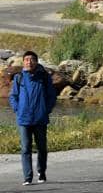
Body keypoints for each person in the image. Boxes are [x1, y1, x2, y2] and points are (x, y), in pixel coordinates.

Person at [9, 51, 57, 186]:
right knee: (25, 148)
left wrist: (46, 110)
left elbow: (52, 96)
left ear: (36, 62)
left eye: (32, 59)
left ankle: (41, 172)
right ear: (23, 62)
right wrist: (17, 109)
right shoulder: (19, 78)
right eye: (26, 59)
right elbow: (13, 96)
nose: (29, 62)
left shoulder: (44, 77)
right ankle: (27, 177)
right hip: (23, 118)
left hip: (40, 118)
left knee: (42, 147)